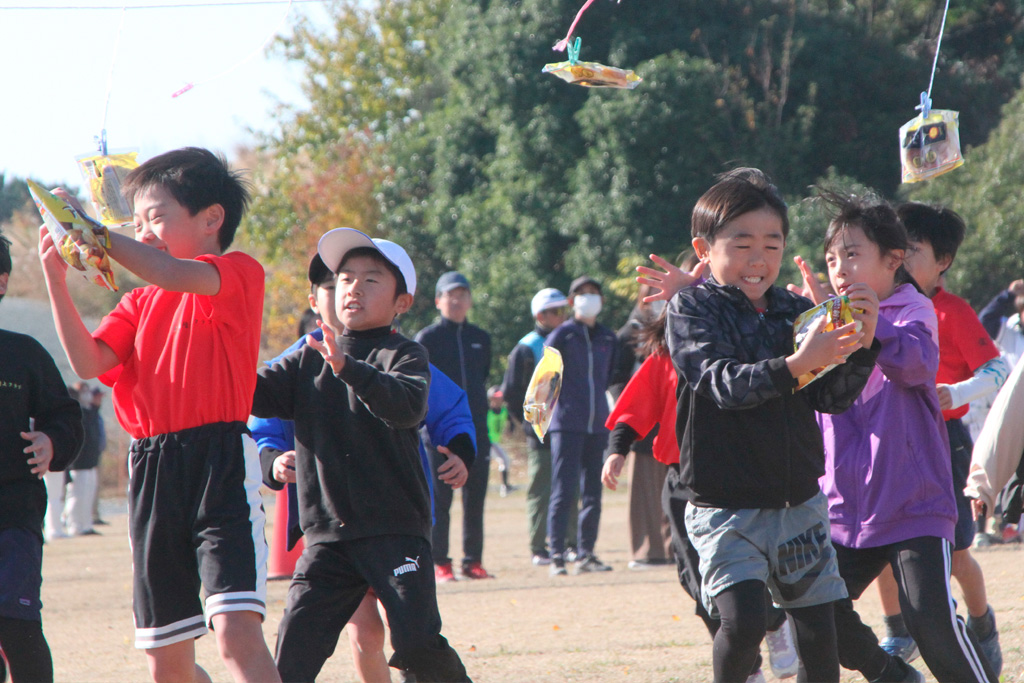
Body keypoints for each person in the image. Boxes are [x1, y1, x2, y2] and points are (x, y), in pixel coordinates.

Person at [39, 147, 280, 682]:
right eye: (137, 220)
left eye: (156, 217)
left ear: (212, 218)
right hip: (151, 470)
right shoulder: (136, 305)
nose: (143, 231)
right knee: (165, 658)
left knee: (236, 633)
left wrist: (93, 231)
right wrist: (56, 278)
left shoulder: (238, 273)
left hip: (220, 462)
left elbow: (171, 271)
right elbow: (87, 361)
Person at [667, 168, 879, 683]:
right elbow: (720, 383)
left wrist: (863, 344)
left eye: (772, 243)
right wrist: (797, 363)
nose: (758, 259)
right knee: (741, 626)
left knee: (818, 635)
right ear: (704, 248)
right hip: (723, 505)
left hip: (798, 501)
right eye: (741, 245)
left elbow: (831, 398)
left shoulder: (794, 309)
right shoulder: (691, 308)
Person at [250, 228, 470, 682]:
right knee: (292, 653)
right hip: (328, 536)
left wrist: (347, 368)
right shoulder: (307, 355)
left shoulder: (406, 354)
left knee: (417, 644)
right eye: (346, 277)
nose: (354, 287)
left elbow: (407, 408)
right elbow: (253, 396)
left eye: (372, 280)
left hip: (395, 529)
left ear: (401, 303)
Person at [798, 190, 997, 682]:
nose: (839, 267)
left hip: (913, 503)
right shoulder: (825, 320)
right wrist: (810, 331)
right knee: (814, 621)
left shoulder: (914, 309)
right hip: (844, 510)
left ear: (893, 261)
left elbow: (916, 365)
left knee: (930, 623)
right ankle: (892, 674)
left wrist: (872, 330)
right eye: (831, 257)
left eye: (852, 253)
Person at [604, 274, 801, 682]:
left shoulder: (755, 340)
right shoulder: (669, 350)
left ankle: (774, 621)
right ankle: (749, 668)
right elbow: (636, 405)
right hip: (682, 480)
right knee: (697, 585)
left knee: (744, 578)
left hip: (736, 476)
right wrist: (617, 450)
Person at [864, 202, 1009, 674]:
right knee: (883, 543)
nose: (899, 258)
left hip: (944, 440)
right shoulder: (872, 303)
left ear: (942, 261)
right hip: (887, 440)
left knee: (957, 553)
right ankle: (896, 632)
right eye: (894, 249)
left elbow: (999, 367)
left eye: (913, 250)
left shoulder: (952, 311)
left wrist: (958, 392)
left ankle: (981, 622)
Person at [0, 228, 83, 683]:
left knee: (17, 624)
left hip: (14, 512)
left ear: (2, 282)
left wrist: (54, 441)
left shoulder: (23, 354)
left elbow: (66, 417)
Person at [415, 272, 494, 581]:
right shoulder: (427, 339)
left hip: (476, 432)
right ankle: (440, 562)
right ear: (438, 300)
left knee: (475, 500)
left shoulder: (481, 338)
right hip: (437, 435)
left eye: (463, 294)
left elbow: (482, 376)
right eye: (451, 294)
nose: (458, 300)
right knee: (440, 502)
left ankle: (473, 560)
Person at [545, 275, 619, 576]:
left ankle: (586, 553)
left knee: (593, 493)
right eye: (583, 293)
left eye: (594, 293)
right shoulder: (561, 335)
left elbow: (611, 378)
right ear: (572, 300)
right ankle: (557, 556)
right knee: (563, 492)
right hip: (566, 424)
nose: (589, 298)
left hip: (598, 425)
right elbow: (545, 380)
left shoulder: (608, 338)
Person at [501, 287, 573, 566]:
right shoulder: (526, 346)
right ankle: (538, 547)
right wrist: (531, 424)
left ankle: (569, 545)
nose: (562, 316)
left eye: (563, 310)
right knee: (541, 489)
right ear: (540, 315)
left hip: (569, 428)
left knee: (569, 488)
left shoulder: (568, 340)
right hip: (540, 434)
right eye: (556, 311)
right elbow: (511, 392)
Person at [608, 279, 674, 570]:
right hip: (642, 425)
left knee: (672, 490)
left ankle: (675, 549)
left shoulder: (680, 328)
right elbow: (616, 380)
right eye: (650, 292)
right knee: (645, 493)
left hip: (672, 425)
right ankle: (647, 551)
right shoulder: (629, 333)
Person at [63, 381, 103, 536]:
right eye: (84, 391)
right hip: (78, 463)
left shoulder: (90, 411)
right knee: (77, 496)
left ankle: (86, 525)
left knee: (87, 496)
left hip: (91, 462)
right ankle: (74, 525)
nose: (88, 395)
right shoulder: (76, 411)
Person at [486, 386, 514, 497]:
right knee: (505, 460)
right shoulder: (487, 410)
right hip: (488, 442)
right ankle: (505, 487)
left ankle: (505, 486)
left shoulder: (504, 411)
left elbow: (511, 422)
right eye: (496, 398)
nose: (499, 400)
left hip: (495, 442)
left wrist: (510, 431)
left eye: (500, 397)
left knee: (504, 460)